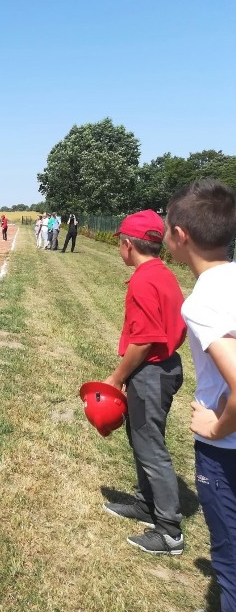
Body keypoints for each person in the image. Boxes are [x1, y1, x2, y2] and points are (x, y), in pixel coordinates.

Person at [164, 179, 236, 609]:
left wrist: (217, 425)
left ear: (180, 235)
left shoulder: (203, 300)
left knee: (230, 566)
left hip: (227, 450)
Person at [101, 209, 187, 556]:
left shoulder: (142, 280)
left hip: (152, 371)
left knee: (151, 447)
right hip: (164, 367)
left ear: (126, 245)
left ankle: (169, 532)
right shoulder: (161, 272)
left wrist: (117, 378)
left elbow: (145, 340)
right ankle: (145, 504)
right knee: (141, 438)